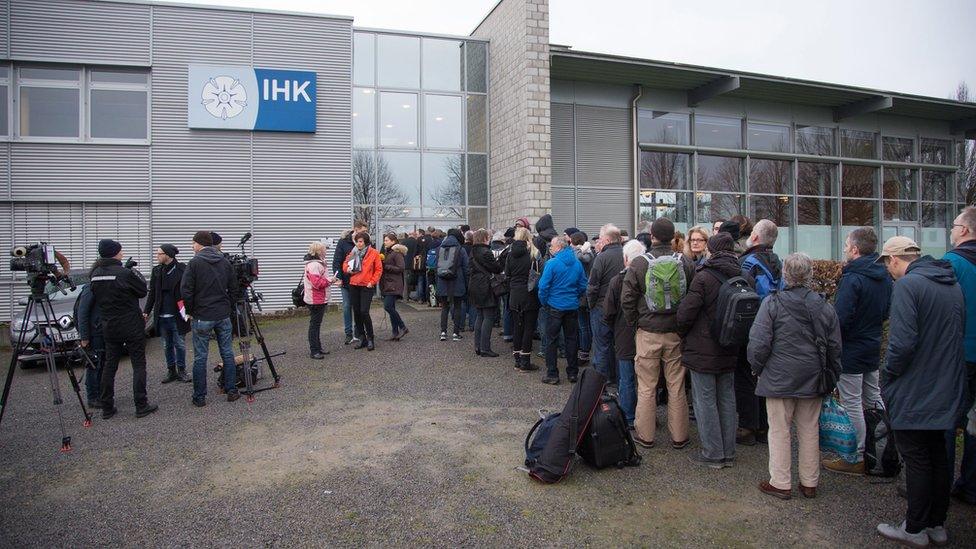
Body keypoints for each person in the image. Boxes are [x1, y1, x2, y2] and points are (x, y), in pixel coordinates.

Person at [875, 236, 966, 547]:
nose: (888, 270)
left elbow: (901, 344)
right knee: (939, 455)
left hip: (916, 387)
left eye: (887, 263)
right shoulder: (950, 284)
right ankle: (936, 523)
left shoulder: (907, 287)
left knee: (916, 458)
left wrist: (888, 375)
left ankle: (913, 527)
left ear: (896, 260)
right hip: (947, 384)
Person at [748, 253, 841, 499]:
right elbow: (834, 346)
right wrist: (832, 374)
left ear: (785, 274)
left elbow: (758, 342)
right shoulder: (824, 305)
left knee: (779, 429)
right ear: (810, 275)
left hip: (779, 376)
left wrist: (756, 367)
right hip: (813, 375)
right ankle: (809, 482)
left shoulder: (772, 303)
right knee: (810, 428)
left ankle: (780, 481)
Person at [678, 232, 755, 468]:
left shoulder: (703, 277)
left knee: (705, 401)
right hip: (731, 344)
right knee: (727, 398)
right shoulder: (745, 275)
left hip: (703, 348)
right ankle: (728, 452)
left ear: (711, 250)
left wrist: (683, 333)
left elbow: (685, 314)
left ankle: (713, 453)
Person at [822, 227, 892, 475]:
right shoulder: (883, 276)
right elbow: (886, 312)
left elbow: (840, 318)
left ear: (855, 249)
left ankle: (857, 456)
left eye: (846, 246)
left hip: (851, 348)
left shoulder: (853, 278)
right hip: (871, 344)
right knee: (873, 398)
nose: (844, 250)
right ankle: (886, 448)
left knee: (851, 401)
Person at [621, 218, 695, 449]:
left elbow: (627, 299)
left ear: (651, 236)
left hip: (647, 331)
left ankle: (646, 435)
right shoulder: (685, 262)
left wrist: (636, 323)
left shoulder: (640, 263)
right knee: (676, 385)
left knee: (646, 386)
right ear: (674, 237)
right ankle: (680, 436)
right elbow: (692, 297)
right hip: (675, 333)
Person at [89, 238, 158, 418]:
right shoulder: (124, 273)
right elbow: (142, 290)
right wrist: (130, 271)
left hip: (109, 325)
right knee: (138, 364)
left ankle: (107, 407)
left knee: (109, 365)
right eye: (120, 250)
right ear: (114, 252)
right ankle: (141, 404)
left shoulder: (95, 274)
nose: (122, 253)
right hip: (130, 323)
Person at [735, 219, 784, 446]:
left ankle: (748, 427)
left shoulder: (747, 262)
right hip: (775, 325)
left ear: (754, 237)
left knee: (745, 377)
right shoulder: (777, 261)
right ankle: (765, 427)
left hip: (751, 327)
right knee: (765, 376)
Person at [182, 230, 239, 406]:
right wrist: (228, 306)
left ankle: (199, 397)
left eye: (193, 243)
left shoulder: (194, 263)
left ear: (199, 244)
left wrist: (190, 311)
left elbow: (186, 290)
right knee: (227, 352)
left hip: (202, 315)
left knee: (200, 356)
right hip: (222, 314)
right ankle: (232, 390)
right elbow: (234, 288)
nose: (192, 246)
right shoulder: (224, 262)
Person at [945, 206, 976, 505]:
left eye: (954, 224)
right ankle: (970, 484)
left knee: (944, 420)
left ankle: (936, 486)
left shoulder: (952, 263)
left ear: (964, 230)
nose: (952, 229)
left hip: (958, 356)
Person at [604, 239, 646, 427]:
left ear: (626, 259)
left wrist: (614, 327)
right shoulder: (650, 276)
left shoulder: (617, 280)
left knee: (627, 377)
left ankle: (628, 416)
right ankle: (647, 416)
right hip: (646, 331)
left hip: (624, 332)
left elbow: (608, 311)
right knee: (647, 380)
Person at [537, 235, 587, 385]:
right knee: (572, 339)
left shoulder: (552, 263)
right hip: (571, 306)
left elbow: (543, 287)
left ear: (558, 247)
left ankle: (552, 373)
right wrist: (575, 297)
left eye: (552, 246)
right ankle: (572, 373)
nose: (550, 248)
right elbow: (583, 285)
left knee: (552, 340)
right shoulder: (577, 263)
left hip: (554, 306)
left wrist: (544, 302)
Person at [143, 244, 190, 383]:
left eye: (160, 254)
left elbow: (188, 290)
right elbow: (152, 292)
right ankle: (171, 371)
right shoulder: (157, 271)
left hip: (178, 313)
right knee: (166, 345)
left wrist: (190, 310)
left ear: (168, 255)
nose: (157, 256)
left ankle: (182, 370)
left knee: (180, 344)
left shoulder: (182, 269)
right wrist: (146, 310)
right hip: (161, 315)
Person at [587, 224, 625, 380]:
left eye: (601, 238)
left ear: (607, 240)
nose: (599, 241)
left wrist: (591, 304)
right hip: (622, 307)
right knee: (619, 345)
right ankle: (618, 379)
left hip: (601, 306)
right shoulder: (627, 254)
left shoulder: (601, 257)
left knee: (602, 345)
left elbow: (592, 285)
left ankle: (602, 381)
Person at [506, 227, 541, 372]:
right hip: (529, 292)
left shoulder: (510, 254)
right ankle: (525, 361)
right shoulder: (533, 254)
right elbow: (539, 273)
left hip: (514, 293)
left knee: (517, 327)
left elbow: (507, 273)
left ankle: (517, 360)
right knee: (528, 327)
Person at [342, 232, 382, 351]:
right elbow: (345, 264)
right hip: (354, 285)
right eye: (357, 241)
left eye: (360, 241)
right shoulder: (353, 252)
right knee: (357, 312)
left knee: (364, 311)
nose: (358, 244)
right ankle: (362, 338)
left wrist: (372, 282)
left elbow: (379, 269)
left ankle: (370, 338)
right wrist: (347, 269)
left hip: (366, 286)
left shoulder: (373, 253)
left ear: (365, 242)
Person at [468, 229, 503, 357]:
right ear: (484, 238)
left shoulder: (472, 251)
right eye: (488, 237)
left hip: (475, 285)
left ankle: (478, 346)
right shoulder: (486, 252)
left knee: (480, 316)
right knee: (488, 317)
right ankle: (485, 348)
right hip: (485, 286)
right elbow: (497, 268)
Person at [333, 221, 368, 345]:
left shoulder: (365, 242)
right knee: (347, 306)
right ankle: (348, 333)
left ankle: (358, 331)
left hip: (360, 281)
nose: (365, 233)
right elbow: (337, 260)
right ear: (356, 229)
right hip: (347, 281)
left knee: (358, 307)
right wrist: (339, 277)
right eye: (363, 231)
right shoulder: (344, 242)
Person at [436, 228, 470, 342]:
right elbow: (466, 268)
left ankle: (443, 332)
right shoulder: (461, 249)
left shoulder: (439, 248)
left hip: (442, 280)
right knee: (458, 306)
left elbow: (436, 265)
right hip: (457, 280)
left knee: (445, 307)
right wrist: (467, 283)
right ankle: (456, 333)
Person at [303, 241, 336, 359]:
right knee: (314, 325)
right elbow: (317, 283)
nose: (326, 251)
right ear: (319, 251)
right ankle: (314, 350)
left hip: (318, 298)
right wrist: (330, 280)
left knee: (316, 324)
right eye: (324, 249)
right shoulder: (314, 265)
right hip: (315, 299)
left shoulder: (316, 263)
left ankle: (318, 347)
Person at [76, 272, 103, 409]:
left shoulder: (100, 286)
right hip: (94, 334)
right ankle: (93, 397)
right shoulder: (90, 288)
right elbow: (83, 313)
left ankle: (100, 394)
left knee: (102, 364)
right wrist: (84, 338)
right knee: (94, 365)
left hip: (102, 331)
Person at [379, 234, 408, 341]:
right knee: (391, 308)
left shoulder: (396, 253)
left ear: (393, 241)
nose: (384, 242)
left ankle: (403, 327)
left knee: (388, 307)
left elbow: (401, 268)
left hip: (394, 284)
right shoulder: (388, 252)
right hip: (388, 284)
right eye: (384, 240)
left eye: (386, 240)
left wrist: (386, 266)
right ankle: (395, 332)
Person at [571, 231, 594, 364]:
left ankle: (584, 352)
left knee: (583, 325)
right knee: (584, 325)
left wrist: (578, 249)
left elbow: (581, 259)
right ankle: (583, 350)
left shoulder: (585, 254)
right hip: (585, 292)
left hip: (583, 293)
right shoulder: (587, 251)